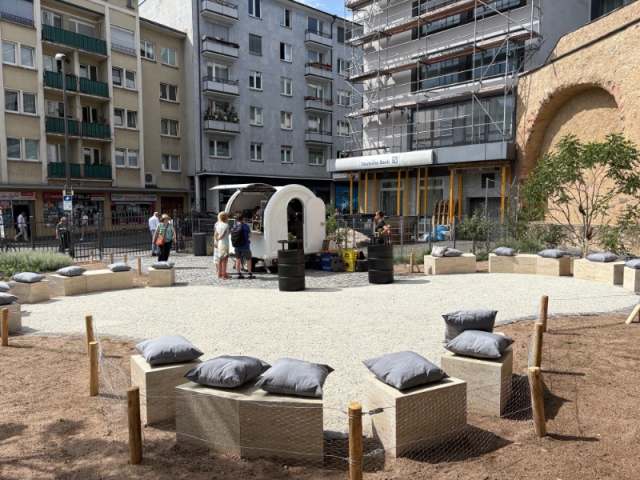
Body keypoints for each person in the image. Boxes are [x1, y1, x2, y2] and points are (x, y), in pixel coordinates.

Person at [233, 213, 254, 280]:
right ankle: (249, 273)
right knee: (248, 259)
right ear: (243, 218)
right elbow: (249, 236)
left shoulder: (235, 226)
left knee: (238, 259)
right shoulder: (246, 226)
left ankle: (239, 273)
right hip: (245, 246)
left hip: (237, 246)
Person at [214, 212, 231, 279]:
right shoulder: (226, 225)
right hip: (224, 242)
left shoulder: (217, 225)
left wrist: (217, 240)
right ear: (225, 218)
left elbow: (215, 234)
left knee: (219, 258)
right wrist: (220, 238)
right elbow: (223, 234)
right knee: (224, 259)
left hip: (219, 243)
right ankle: (224, 273)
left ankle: (219, 273)